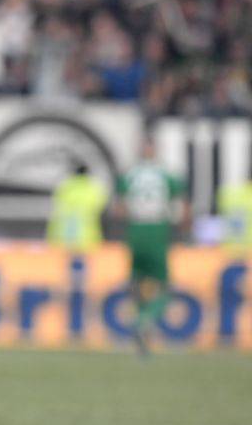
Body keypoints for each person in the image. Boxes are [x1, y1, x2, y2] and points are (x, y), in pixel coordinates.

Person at [116, 136, 189, 355]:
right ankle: (143, 322)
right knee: (164, 287)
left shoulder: (129, 174)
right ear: (155, 151)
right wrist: (183, 228)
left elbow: (119, 210)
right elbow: (184, 206)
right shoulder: (166, 174)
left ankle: (142, 337)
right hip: (157, 231)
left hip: (135, 232)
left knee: (136, 284)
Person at [47, 163, 109, 253]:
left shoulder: (65, 187)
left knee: (64, 264)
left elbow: (56, 209)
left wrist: (51, 237)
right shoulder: (94, 188)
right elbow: (101, 208)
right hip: (88, 237)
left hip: (64, 236)